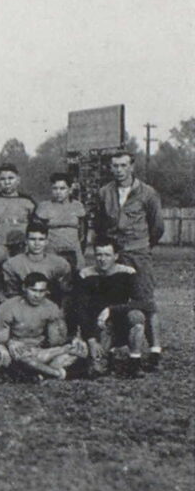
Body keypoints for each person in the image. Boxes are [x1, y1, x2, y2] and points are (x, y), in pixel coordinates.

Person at [93, 151, 165, 368]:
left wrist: (142, 246)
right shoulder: (104, 193)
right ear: (110, 168)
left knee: (146, 302)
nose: (119, 170)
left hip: (138, 253)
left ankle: (155, 352)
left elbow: (157, 227)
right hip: (115, 253)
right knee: (114, 300)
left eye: (124, 165)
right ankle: (114, 349)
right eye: (115, 166)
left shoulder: (148, 193)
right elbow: (99, 225)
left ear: (132, 167)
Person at [70, 237, 153, 377]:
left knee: (137, 316)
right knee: (96, 371)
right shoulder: (86, 275)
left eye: (107, 255)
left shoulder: (127, 272)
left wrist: (111, 310)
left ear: (116, 256)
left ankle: (134, 363)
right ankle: (106, 357)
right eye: (99, 255)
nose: (102, 259)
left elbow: (143, 302)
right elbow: (81, 310)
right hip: (98, 327)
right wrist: (90, 340)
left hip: (122, 323)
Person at [0, 273, 86, 381]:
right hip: (19, 351)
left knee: (74, 353)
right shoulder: (8, 307)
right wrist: (10, 343)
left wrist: (74, 340)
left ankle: (40, 374)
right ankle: (56, 374)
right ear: (24, 288)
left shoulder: (50, 307)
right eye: (33, 290)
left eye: (41, 291)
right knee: (22, 358)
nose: (37, 295)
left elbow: (55, 341)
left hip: (41, 351)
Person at [0, 222, 71, 305]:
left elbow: (65, 293)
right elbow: (10, 294)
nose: (37, 244)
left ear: (46, 241)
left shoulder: (59, 263)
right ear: (26, 240)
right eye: (32, 239)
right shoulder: (12, 264)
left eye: (41, 239)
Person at [34, 173, 87, 271]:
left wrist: (79, 251)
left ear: (70, 190)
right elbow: (38, 233)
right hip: (52, 251)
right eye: (55, 188)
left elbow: (82, 233)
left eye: (62, 188)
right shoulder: (44, 207)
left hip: (74, 251)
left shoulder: (77, 206)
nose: (58, 192)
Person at [0, 163, 36, 255]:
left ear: (18, 180)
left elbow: (35, 226)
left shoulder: (28, 201)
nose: (7, 182)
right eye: (2, 179)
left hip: (22, 246)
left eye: (11, 178)